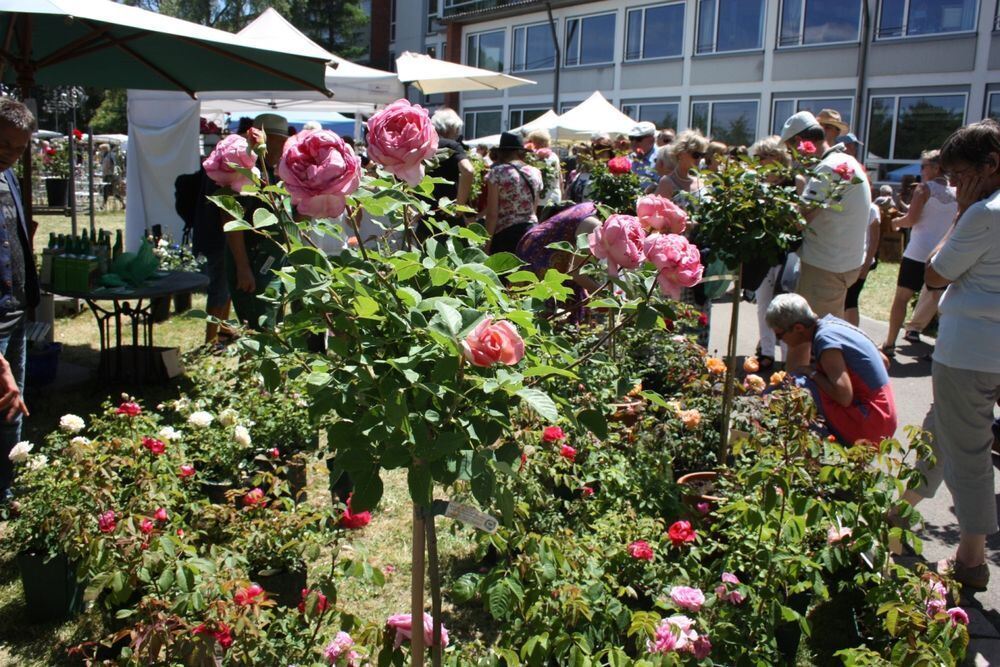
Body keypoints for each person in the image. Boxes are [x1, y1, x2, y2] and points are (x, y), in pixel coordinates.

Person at [919, 119, 1000, 589]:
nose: (953, 187)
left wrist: (959, 216)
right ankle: (900, 507)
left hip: (969, 351)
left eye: (958, 176)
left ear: (991, 164)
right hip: (987, 350)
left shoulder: (983, 213)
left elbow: (935, 275)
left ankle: (971, 559)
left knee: (968, 453)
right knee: (941, 428)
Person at [779, 110, 870, 330]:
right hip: (841, 262)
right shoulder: (843, 161)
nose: (792, 157)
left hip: (826, 266)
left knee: (815, 332)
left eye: (791, 150)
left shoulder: (828, 168)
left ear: (800, 142)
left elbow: (801, 218)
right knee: (828, 326)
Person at [766, 294, 897, 446]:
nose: (780, 340)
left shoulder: (825, 340)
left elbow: (844, 397)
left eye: (779, 335)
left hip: (868, 423)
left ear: (798, 328)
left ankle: (813, 448)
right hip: (886, 415)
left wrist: (812, 372)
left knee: (793, 385)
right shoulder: (835, 324)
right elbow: (884, 361)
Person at [880, 150, 957, 355]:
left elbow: (911, 220)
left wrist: (896, 222)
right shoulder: (957, 192)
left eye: (923, 166)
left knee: (901, 298)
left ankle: (889, 343)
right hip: (941, 254)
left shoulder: (923, 189)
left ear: (936, 168)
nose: (921, 171)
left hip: (917, 252)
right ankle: (940, 350)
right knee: (941, 304)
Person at [0, 98, 38, 502]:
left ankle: (7, 486)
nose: (11, 153)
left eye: (19, 148)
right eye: (4, 144)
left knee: (13, 404)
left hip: (15, 310)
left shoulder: (9, 178)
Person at [224, 113, 289, 330]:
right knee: (258, 325)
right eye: (279, 142)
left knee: (272, 322)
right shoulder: (248, 173)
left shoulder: (269, 172)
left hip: (268, 262)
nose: (282, 149)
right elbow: (231, 219)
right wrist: (243, 267)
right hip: (251, 261)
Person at [748, 135, 793, 369]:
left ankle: (787, 356)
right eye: (759, 157)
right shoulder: (755, 185)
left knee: (786, 305)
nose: (762, 161)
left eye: (766, 156)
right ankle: (767, 351)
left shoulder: (793, 183)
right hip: (762, 253)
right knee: (763, 304)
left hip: (787, 253)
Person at [516, 201, 602, 315]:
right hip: (541, 254)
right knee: (542, 307)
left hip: (533, 245)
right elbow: (576, 272)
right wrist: (606, 295)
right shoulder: (593, 225)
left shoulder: (591, 208)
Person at [484, 132, 542, 255]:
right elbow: (534, 209)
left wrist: (486, 245)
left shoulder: (497, 173)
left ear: (501, 152)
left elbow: (492, 213)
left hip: (506, 234)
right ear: (521, 152)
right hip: (531, 232)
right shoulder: (535, 172)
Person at [422, 108, 474, 234]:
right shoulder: (451, 146)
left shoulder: (423, 146)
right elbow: (468, 170)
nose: (457, 134)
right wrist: (459, 207)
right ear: (450, 128)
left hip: (425, 215)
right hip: (448, 215)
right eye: (457, 129)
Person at [844, 203, 881, 327]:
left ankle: (852, 332)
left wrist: (866, 265)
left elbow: (875, 240)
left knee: (850, 299)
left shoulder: (872, 209)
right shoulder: (849, 203)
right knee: (843, 299)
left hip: (861, 261)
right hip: (846, 259)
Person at [655, 129, 708, 204]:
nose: (699, 159)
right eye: (696, 155)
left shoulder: (700, 181)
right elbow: (658, 209)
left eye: (702, 155)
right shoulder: (668, 182)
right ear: (680, 153)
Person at [525, 128, 562, 209]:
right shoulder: (554, 156)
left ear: (536, 143)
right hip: (555, 197)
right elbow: (560, 179)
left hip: (540, 200)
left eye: (531, 141)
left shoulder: (532, 158)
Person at [627, 121, 658, 191]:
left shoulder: (662, 159)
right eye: (631, 138)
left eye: (638, 139)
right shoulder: (629, 159)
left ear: (652, 140)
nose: (633, 143)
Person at [99, 143, 123, 210]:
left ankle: (123, 203)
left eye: (101, 149)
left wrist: (112, 170)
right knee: (106, 190)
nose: (101, 151)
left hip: (111, 175)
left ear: (105, 149)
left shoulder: (111, 155)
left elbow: (115, 164)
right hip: (105, 175)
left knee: (113, 191)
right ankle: (103, 205)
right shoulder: (104, 156)